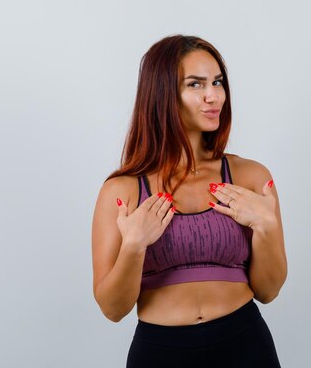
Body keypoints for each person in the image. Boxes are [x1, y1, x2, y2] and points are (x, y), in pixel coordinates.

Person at [91, 34, 287, 368]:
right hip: (161, 352)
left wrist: (266, 227)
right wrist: (134, 246)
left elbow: (268, 291)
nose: (214, 96)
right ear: (163, 95)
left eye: (218, 82)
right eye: (195, 84)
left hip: (245, 344)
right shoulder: (122, 191)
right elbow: (112, 309)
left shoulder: (250, 176)